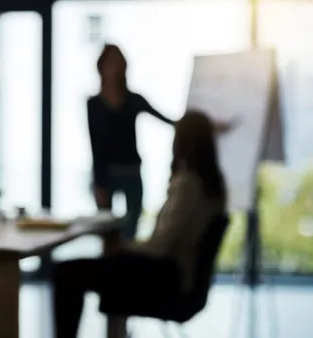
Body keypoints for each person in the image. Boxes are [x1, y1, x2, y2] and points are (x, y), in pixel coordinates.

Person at [53, 111, 228, 338]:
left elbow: (160, 247)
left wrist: (123, 247)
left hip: (166, 280)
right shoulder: (214, 188)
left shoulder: (188, 185)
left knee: (67, 272)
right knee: (93, 267)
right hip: (180, 279)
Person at [87, 44, 176, 240]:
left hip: (131, 171)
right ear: (101, 67)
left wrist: (202, 124)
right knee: (107, 233)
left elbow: (168, 120)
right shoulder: (94, 104)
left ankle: (126, 268)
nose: (114, 68)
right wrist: (98, 183)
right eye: (110, 63)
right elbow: (95, 145)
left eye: (118, 62)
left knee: (130, 232)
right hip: (107, 173)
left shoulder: (134, 100)